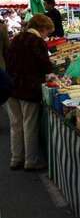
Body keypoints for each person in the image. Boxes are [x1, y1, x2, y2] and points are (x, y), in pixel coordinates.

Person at [6, 14, 54, 170]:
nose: (47, 35)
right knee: (29, 125)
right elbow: (45, 66)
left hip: (12, 87)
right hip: (29, 88)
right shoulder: (37, 41)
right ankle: (31, 161)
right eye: (48, 31)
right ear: (42, 28)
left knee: (16, 125)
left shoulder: (17, 39)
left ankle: (16, 158)